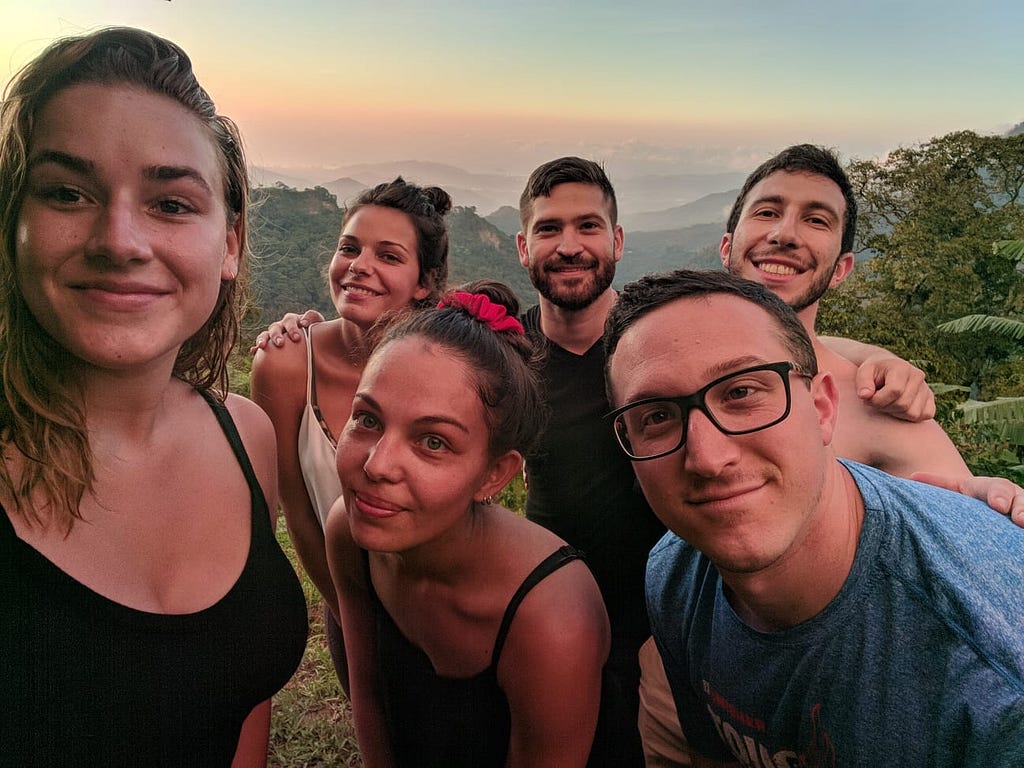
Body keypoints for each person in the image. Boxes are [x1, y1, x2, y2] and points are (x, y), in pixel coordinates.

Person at [513, 156, 943, 766]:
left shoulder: (864, 401)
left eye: (588, 226)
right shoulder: (521, 355)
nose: (785, 234)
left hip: (738, 660)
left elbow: (964, 524)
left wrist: (877, 366)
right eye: (767, 212)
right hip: (598, 630)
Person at [639, 144, 1024, 767]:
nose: (786, 234)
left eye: (815, 219)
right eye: (768, 212)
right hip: (686, 663)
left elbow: (957, 543)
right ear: (726, 244)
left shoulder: (876, 405)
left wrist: (993, 503)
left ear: (841, 268)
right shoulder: (666, 366)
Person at [0, 26, 307, 766]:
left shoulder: (246, 436)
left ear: (230, 244)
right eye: (67, 192)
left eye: (171, 204)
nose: (120, 238)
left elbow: (242, 698)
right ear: (13, 223)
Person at [325, 281, 612, 767]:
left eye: (433, 442)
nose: (377, 465)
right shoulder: (350, 534)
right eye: (368, 419)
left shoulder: (551, 615)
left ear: (494, 475)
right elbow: (369, 698)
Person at [250, 178, 449, 690]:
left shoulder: (447, 365)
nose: (360, 265)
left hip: (447, 604)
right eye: (349, 248)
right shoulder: (286, 364)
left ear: (423, 282)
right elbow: (298, 510)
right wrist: (350, 614)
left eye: (389, 255)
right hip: (348, 601)